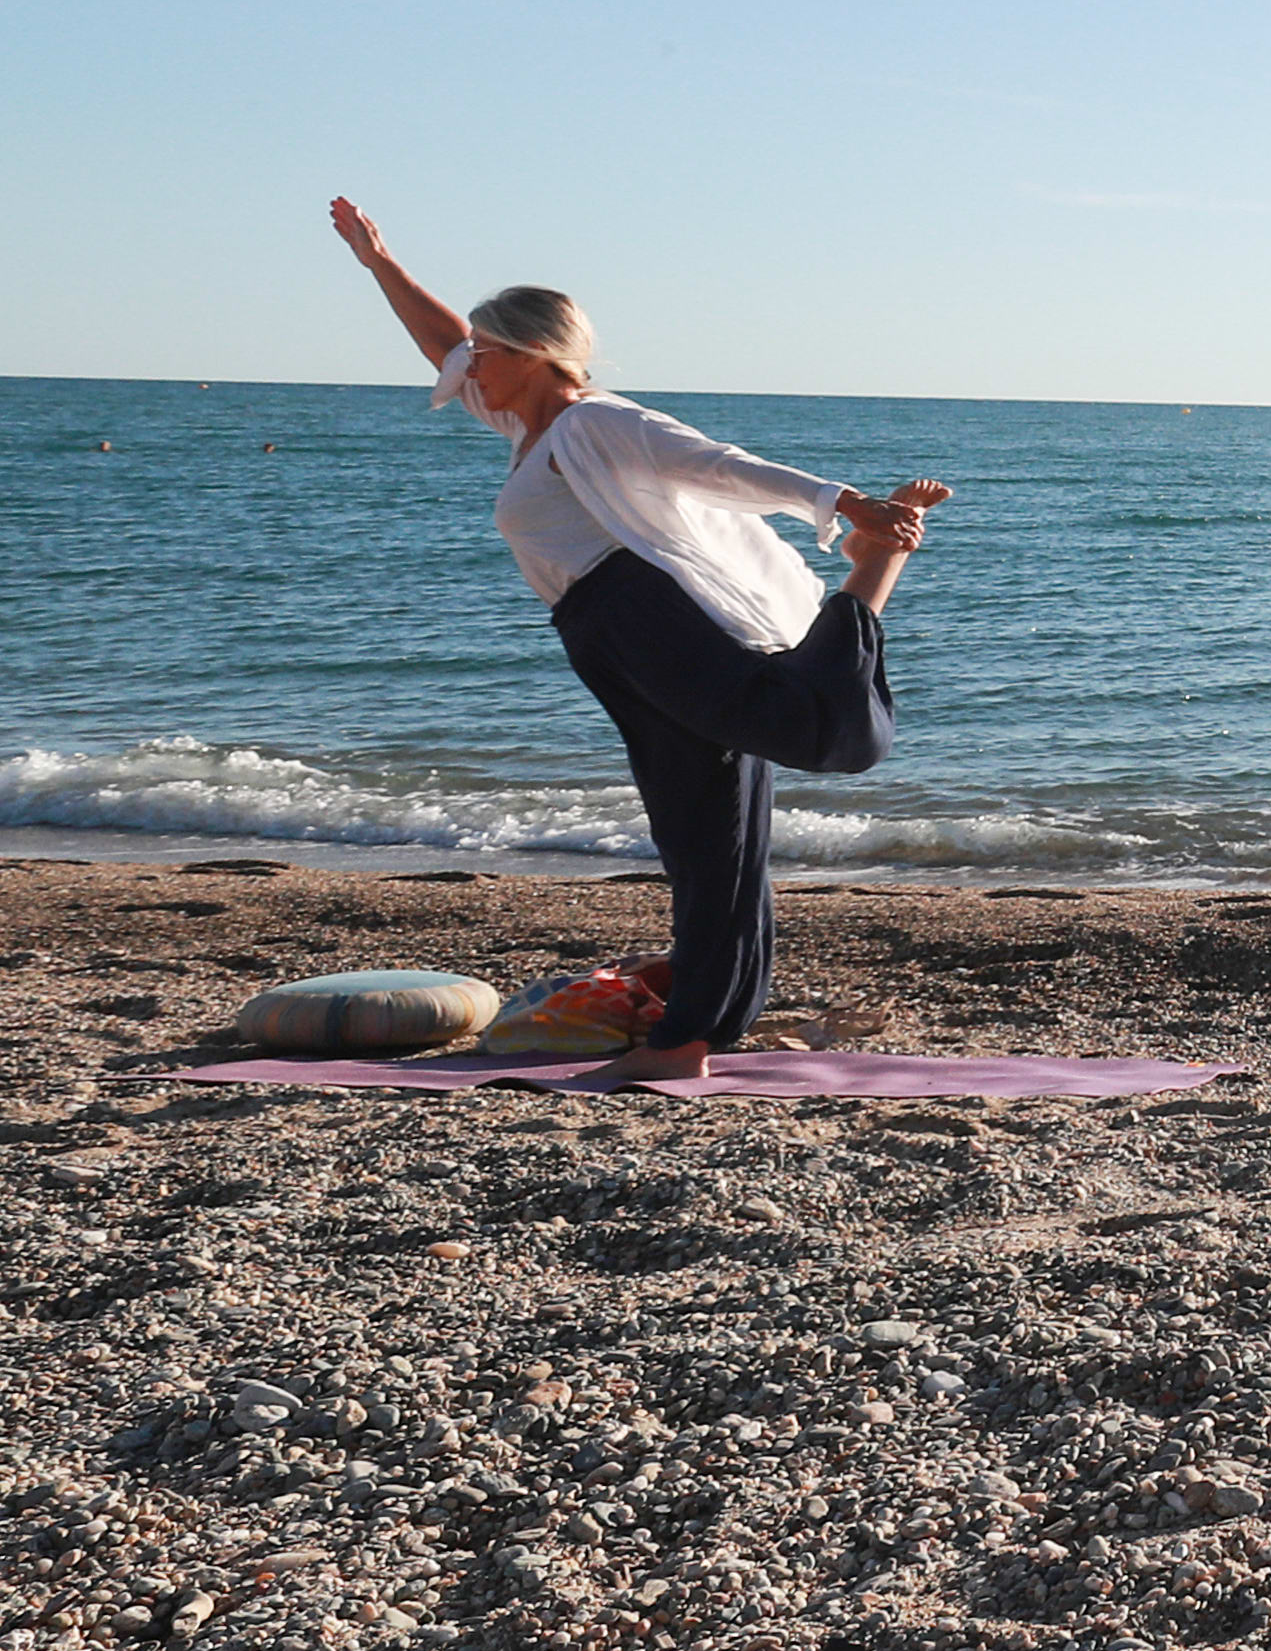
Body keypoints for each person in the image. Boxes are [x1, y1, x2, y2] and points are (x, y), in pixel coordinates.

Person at [326, 199, 947, 1084]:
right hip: (603, 635)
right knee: (700, 834)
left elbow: (715, 461)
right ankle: (694, 1035)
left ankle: (873, 565)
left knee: (801, 742)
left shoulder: (591, 421)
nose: (468, 368)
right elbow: (444, 341)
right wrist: (377, 261)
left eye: (486, 354)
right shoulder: (529, 428)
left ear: (530, 355)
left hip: (640, 618)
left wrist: (846, 506)